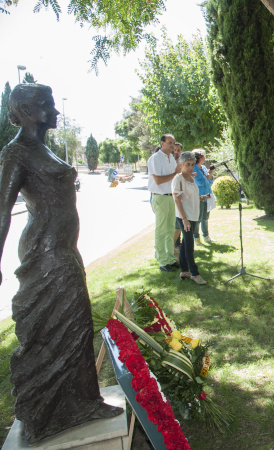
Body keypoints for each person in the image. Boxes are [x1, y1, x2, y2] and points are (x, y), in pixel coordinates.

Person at [0, 83, 122, 443]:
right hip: (47, 253)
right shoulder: (16, 152)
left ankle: (81, 402)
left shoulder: (42, 149)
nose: (55, 110)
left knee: (72, 325)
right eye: (47, 104)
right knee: (63, 325)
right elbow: (2, 211)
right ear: (24, 110)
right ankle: (49, 409)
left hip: (65, 248)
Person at [148, 133, 182, 271]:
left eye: (173, 143)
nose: (172, 146)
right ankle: (162, 261)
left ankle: (170, 258)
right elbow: (158, 180)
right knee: (161, 230)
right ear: (162, 143)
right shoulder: (155, 158)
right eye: (169, 143)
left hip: (170, 197)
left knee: (169, 230)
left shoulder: (171, 159)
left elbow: (175, 177)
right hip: (160, 197)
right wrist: (175, 174)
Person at [173, 152, 207, 285]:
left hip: (193, 215)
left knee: (186, 244)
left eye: (192, 164)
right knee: (189, 245)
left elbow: (189, 197)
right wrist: (184, 219)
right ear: (181, 165)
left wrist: (201, 198)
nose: (191, 167)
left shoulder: (191, 178)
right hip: (184, 217)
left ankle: (184, 271)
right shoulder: (178, 179)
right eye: (187, 164)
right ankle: (195, 273)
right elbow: (177, 199)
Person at [191, 149, 215, 245]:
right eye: (204, 155)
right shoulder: (194, 168)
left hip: (208, 195)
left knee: (205, 217)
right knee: (198, 218)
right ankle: (196, 237)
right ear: (199, 157)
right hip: (199, 196)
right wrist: (207, 177)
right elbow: (199, 182)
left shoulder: (204, 168)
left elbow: (210, 181)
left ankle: (206, 236)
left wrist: (210, 174)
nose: (205, 157)